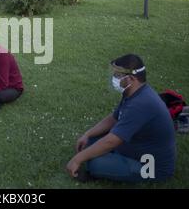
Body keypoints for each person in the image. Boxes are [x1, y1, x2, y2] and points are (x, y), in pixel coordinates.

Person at [66, 54, 176, 183]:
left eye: (118, 75)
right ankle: (107, 157)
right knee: (90, 141)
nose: (114, 78)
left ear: (131, 78)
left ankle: (104, 164)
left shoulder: (141, 104)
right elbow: (114, 118)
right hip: (134, 149)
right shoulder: (135, 92)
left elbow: (112, 141)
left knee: (97, 163)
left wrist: (77, 159)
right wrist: (87, 134)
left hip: (151, 168)